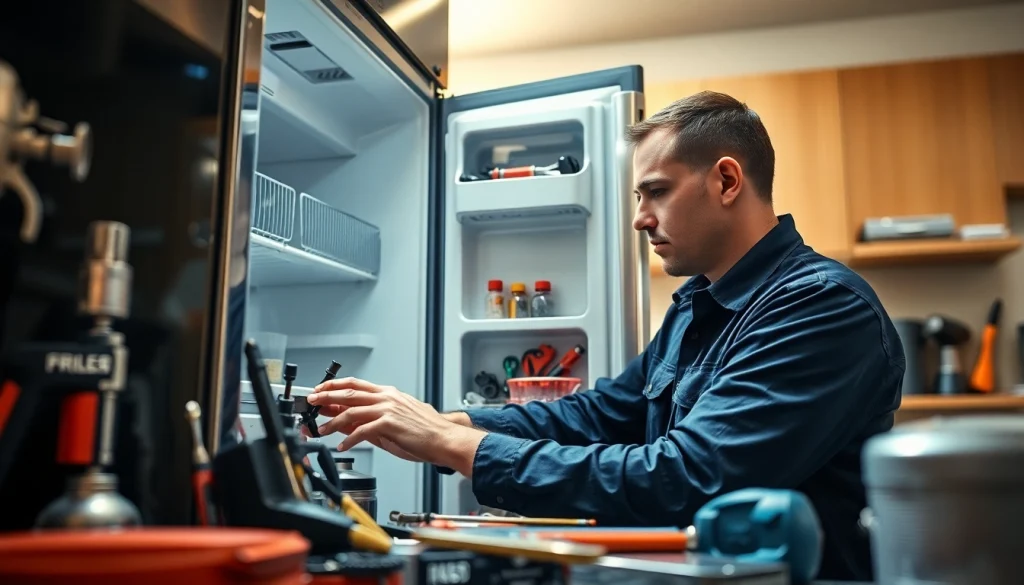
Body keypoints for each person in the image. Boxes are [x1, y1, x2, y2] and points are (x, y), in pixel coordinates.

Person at [305, 91, 905, 582]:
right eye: (639, 196)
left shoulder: (819, 307)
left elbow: (685, 478)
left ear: (727, 181)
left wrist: (457, 446)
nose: (641, 217)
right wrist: (446, 424)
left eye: (657, 191)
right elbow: (601, 414)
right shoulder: (697, 304)